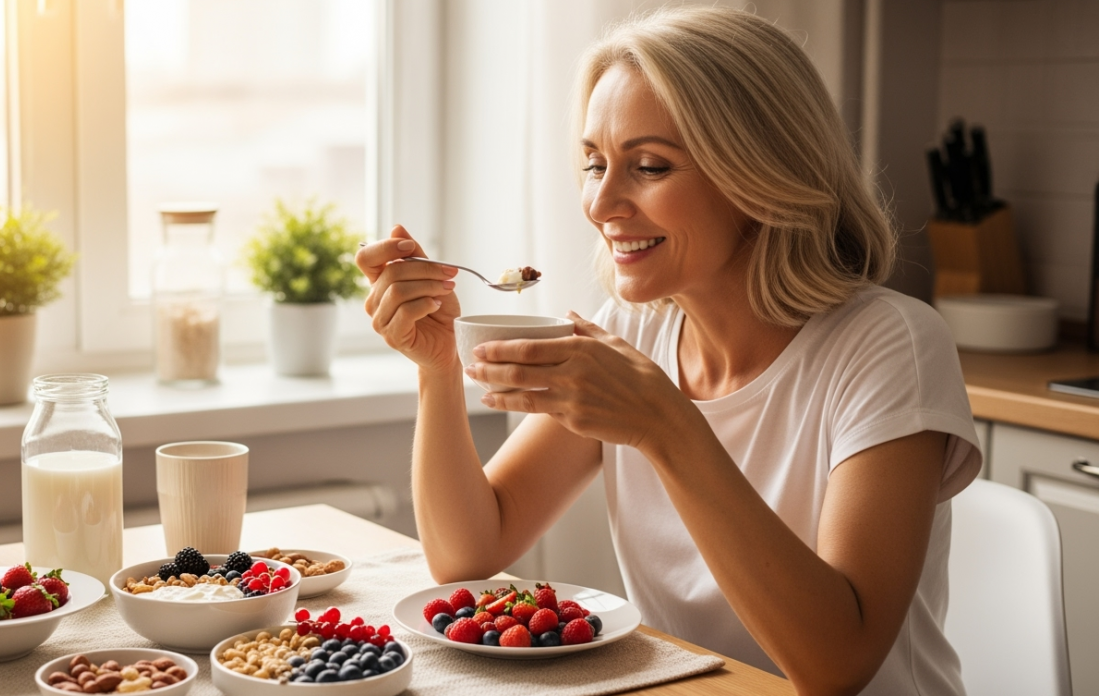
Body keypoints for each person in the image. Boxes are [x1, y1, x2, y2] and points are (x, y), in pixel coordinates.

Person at [355, 6, 980, 696]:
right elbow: (467, 555)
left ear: (760, 173)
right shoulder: (634, 330)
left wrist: (665, 424)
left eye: (648, 166)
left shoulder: (889, 346)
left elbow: (836, 667)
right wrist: (437, 369)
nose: (600, 203)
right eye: (594, 163)